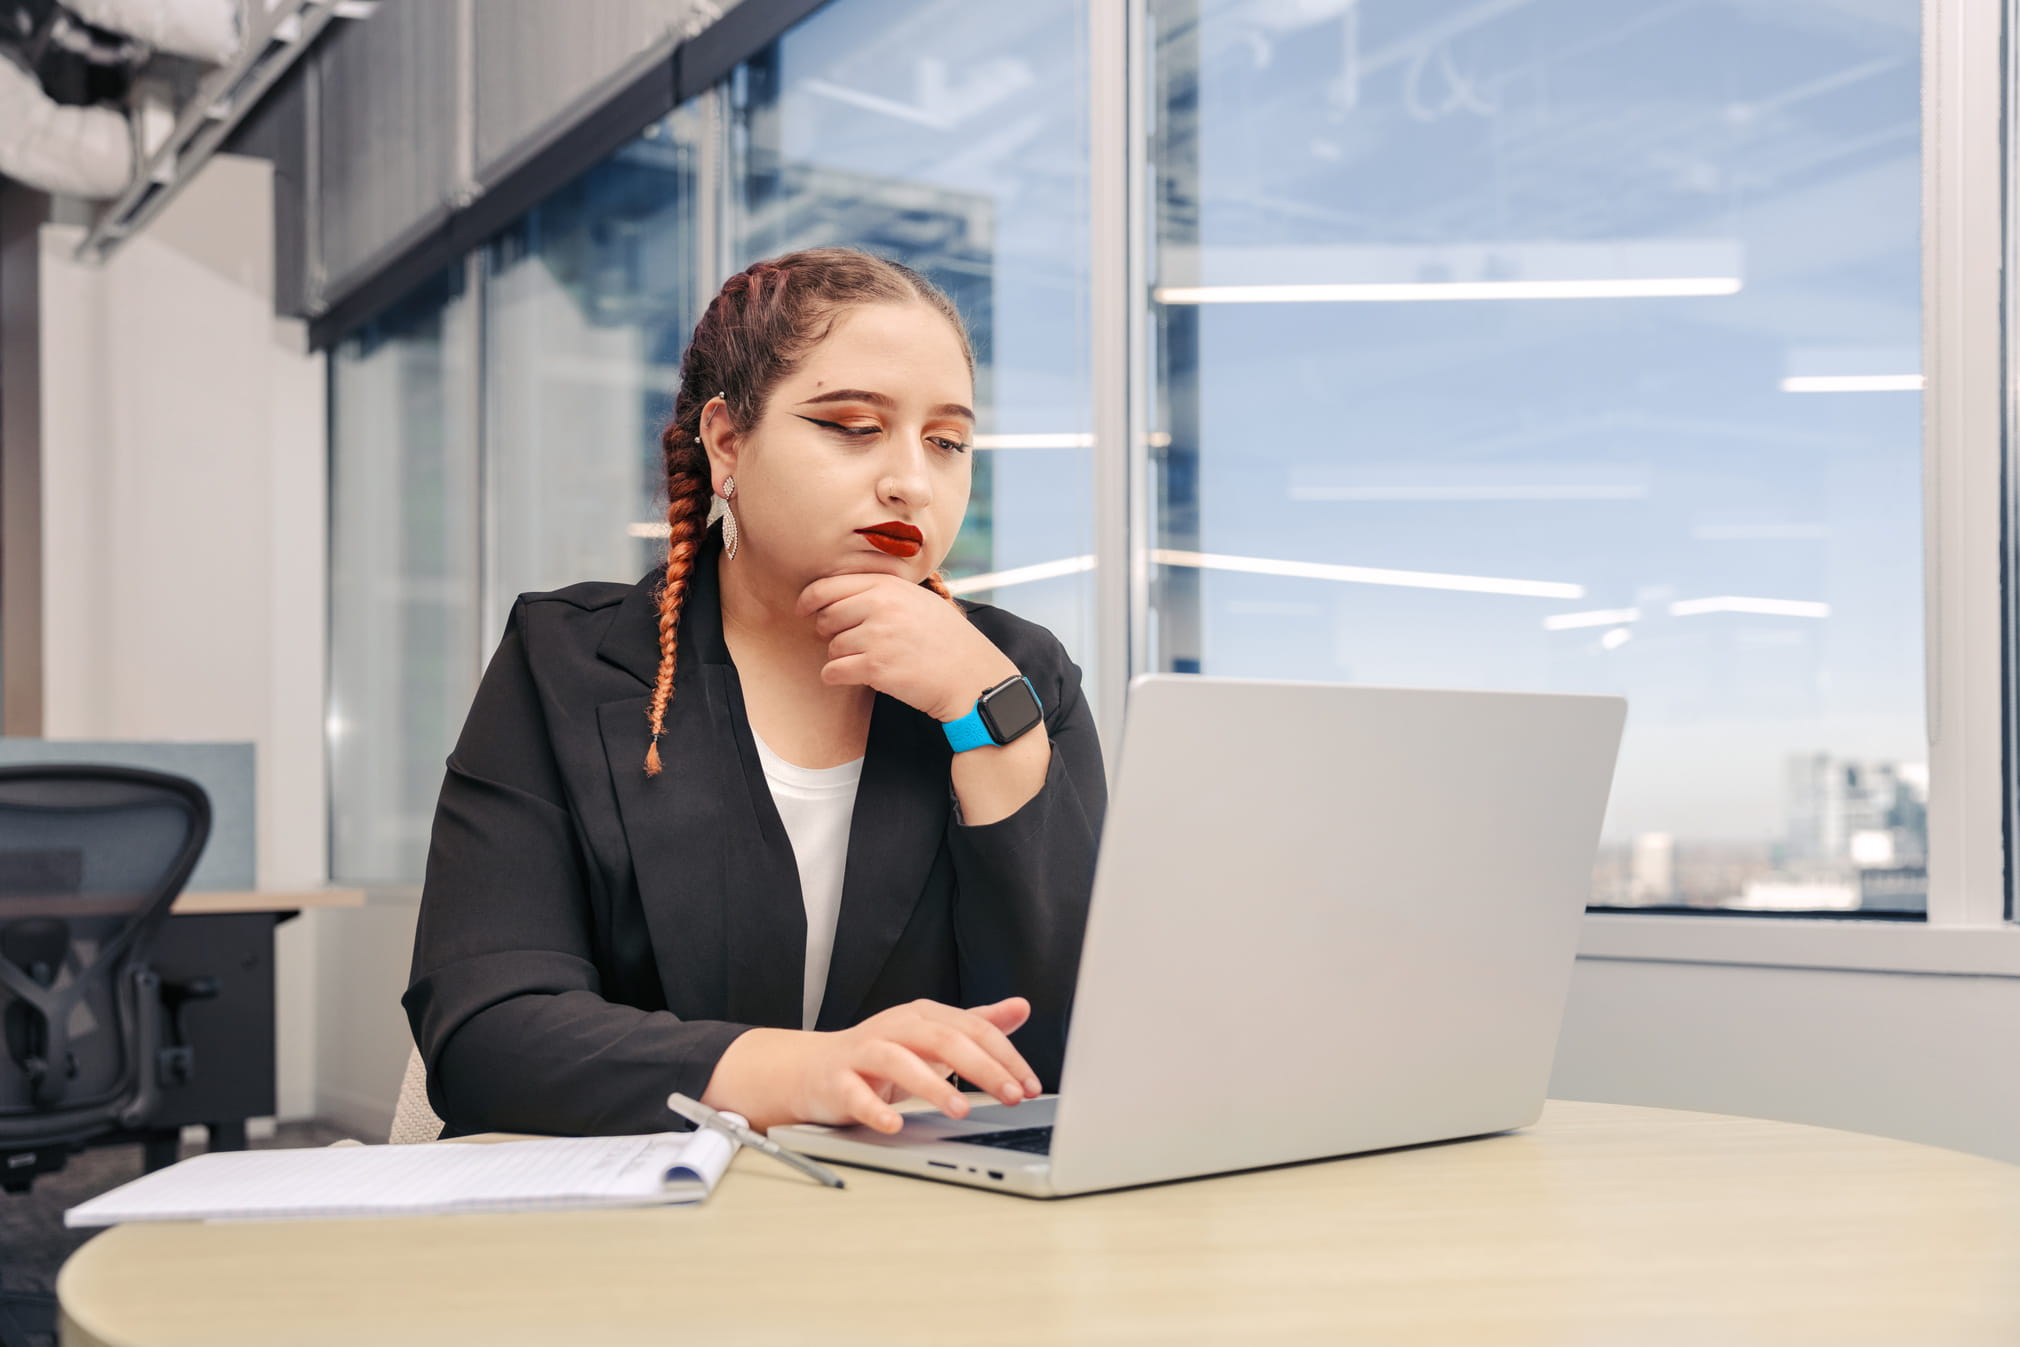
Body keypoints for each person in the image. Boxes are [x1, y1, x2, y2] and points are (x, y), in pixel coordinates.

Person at [401, 246, 1108, 1140]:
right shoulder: (565, 665)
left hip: (928, 1236)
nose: (911, 480)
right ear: (728, 439)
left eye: (948, 441)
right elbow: (484, 1035)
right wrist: (802, 1071)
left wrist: (989, 719)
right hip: (644, 1236)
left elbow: (1075, 1056)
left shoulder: (1018, 675)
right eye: (854, 426)